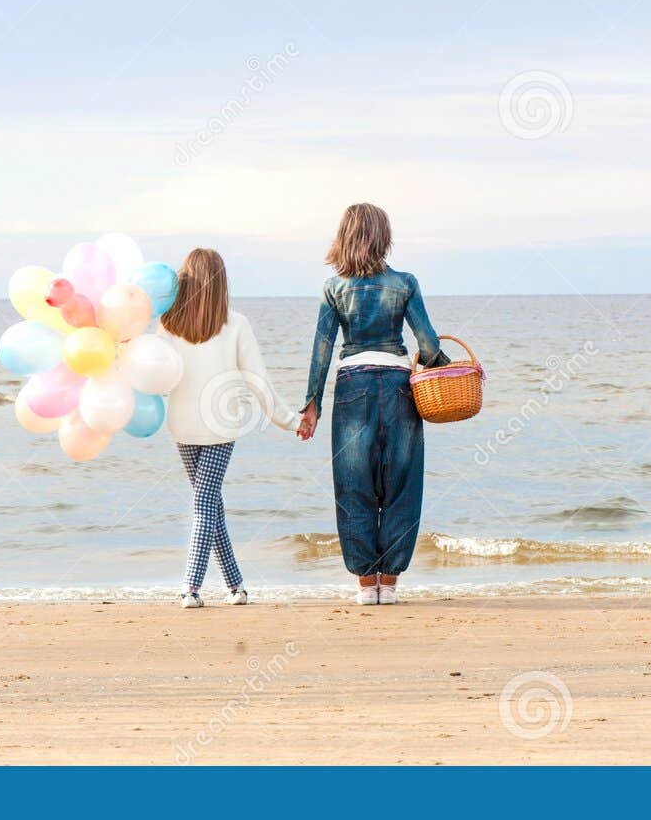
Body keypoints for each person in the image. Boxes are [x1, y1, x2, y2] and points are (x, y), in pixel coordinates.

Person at [298, 203, 448, 605]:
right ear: (384, 237)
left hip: (352, 389)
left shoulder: (334, 288)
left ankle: (366, 586)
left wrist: (311, 404)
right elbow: (429, 345)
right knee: (401, 484)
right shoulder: (405, 283)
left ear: (343, 237)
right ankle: (391, 583)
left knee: (354, 487)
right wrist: (444, 368)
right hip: (399, 386)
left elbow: (322, 350)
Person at [161, 248, 299, 608]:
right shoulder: (234, 324)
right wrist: (291, 420)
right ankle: (195, 588)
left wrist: (291, 422)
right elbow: (259, 382)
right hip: (220, 426)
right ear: (221, 283)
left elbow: (158, 380)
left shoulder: (167, 325)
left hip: (182, 426)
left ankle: (233, 587)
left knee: (206, 502)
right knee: (208, 504)